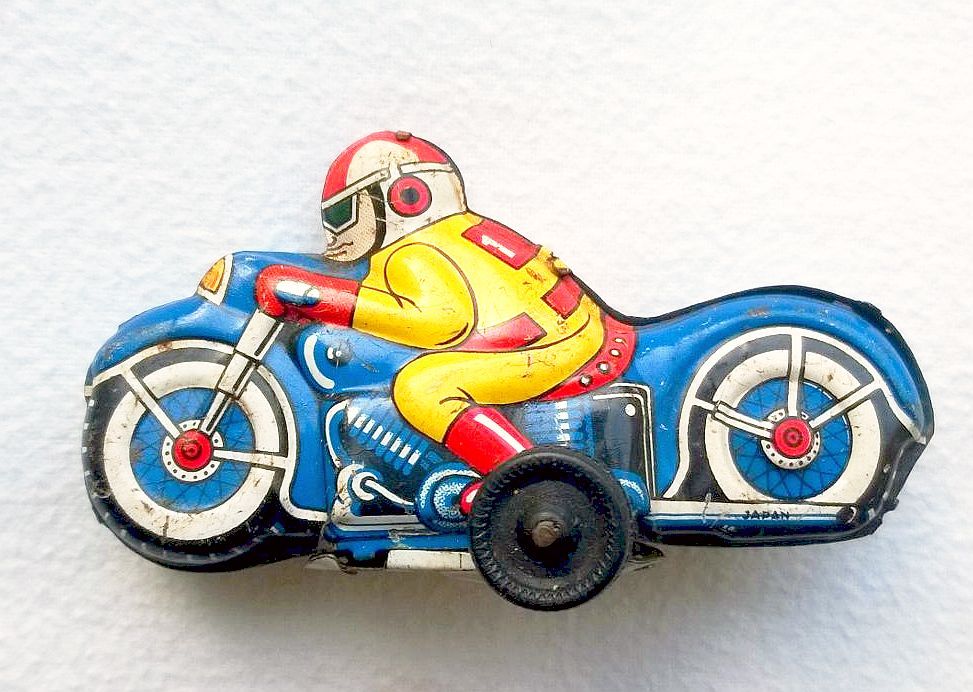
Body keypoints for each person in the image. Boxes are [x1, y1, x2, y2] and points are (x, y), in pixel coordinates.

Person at [255, 131, 634, 511]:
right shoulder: (455, 230)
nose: (337, 231)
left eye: (343, 214)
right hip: (568, 333)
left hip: (547, 348)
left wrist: (329, 300)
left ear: (402, 196)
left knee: (422, 386)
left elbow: (442, 324)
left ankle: (526, 485)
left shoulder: (412, 251)